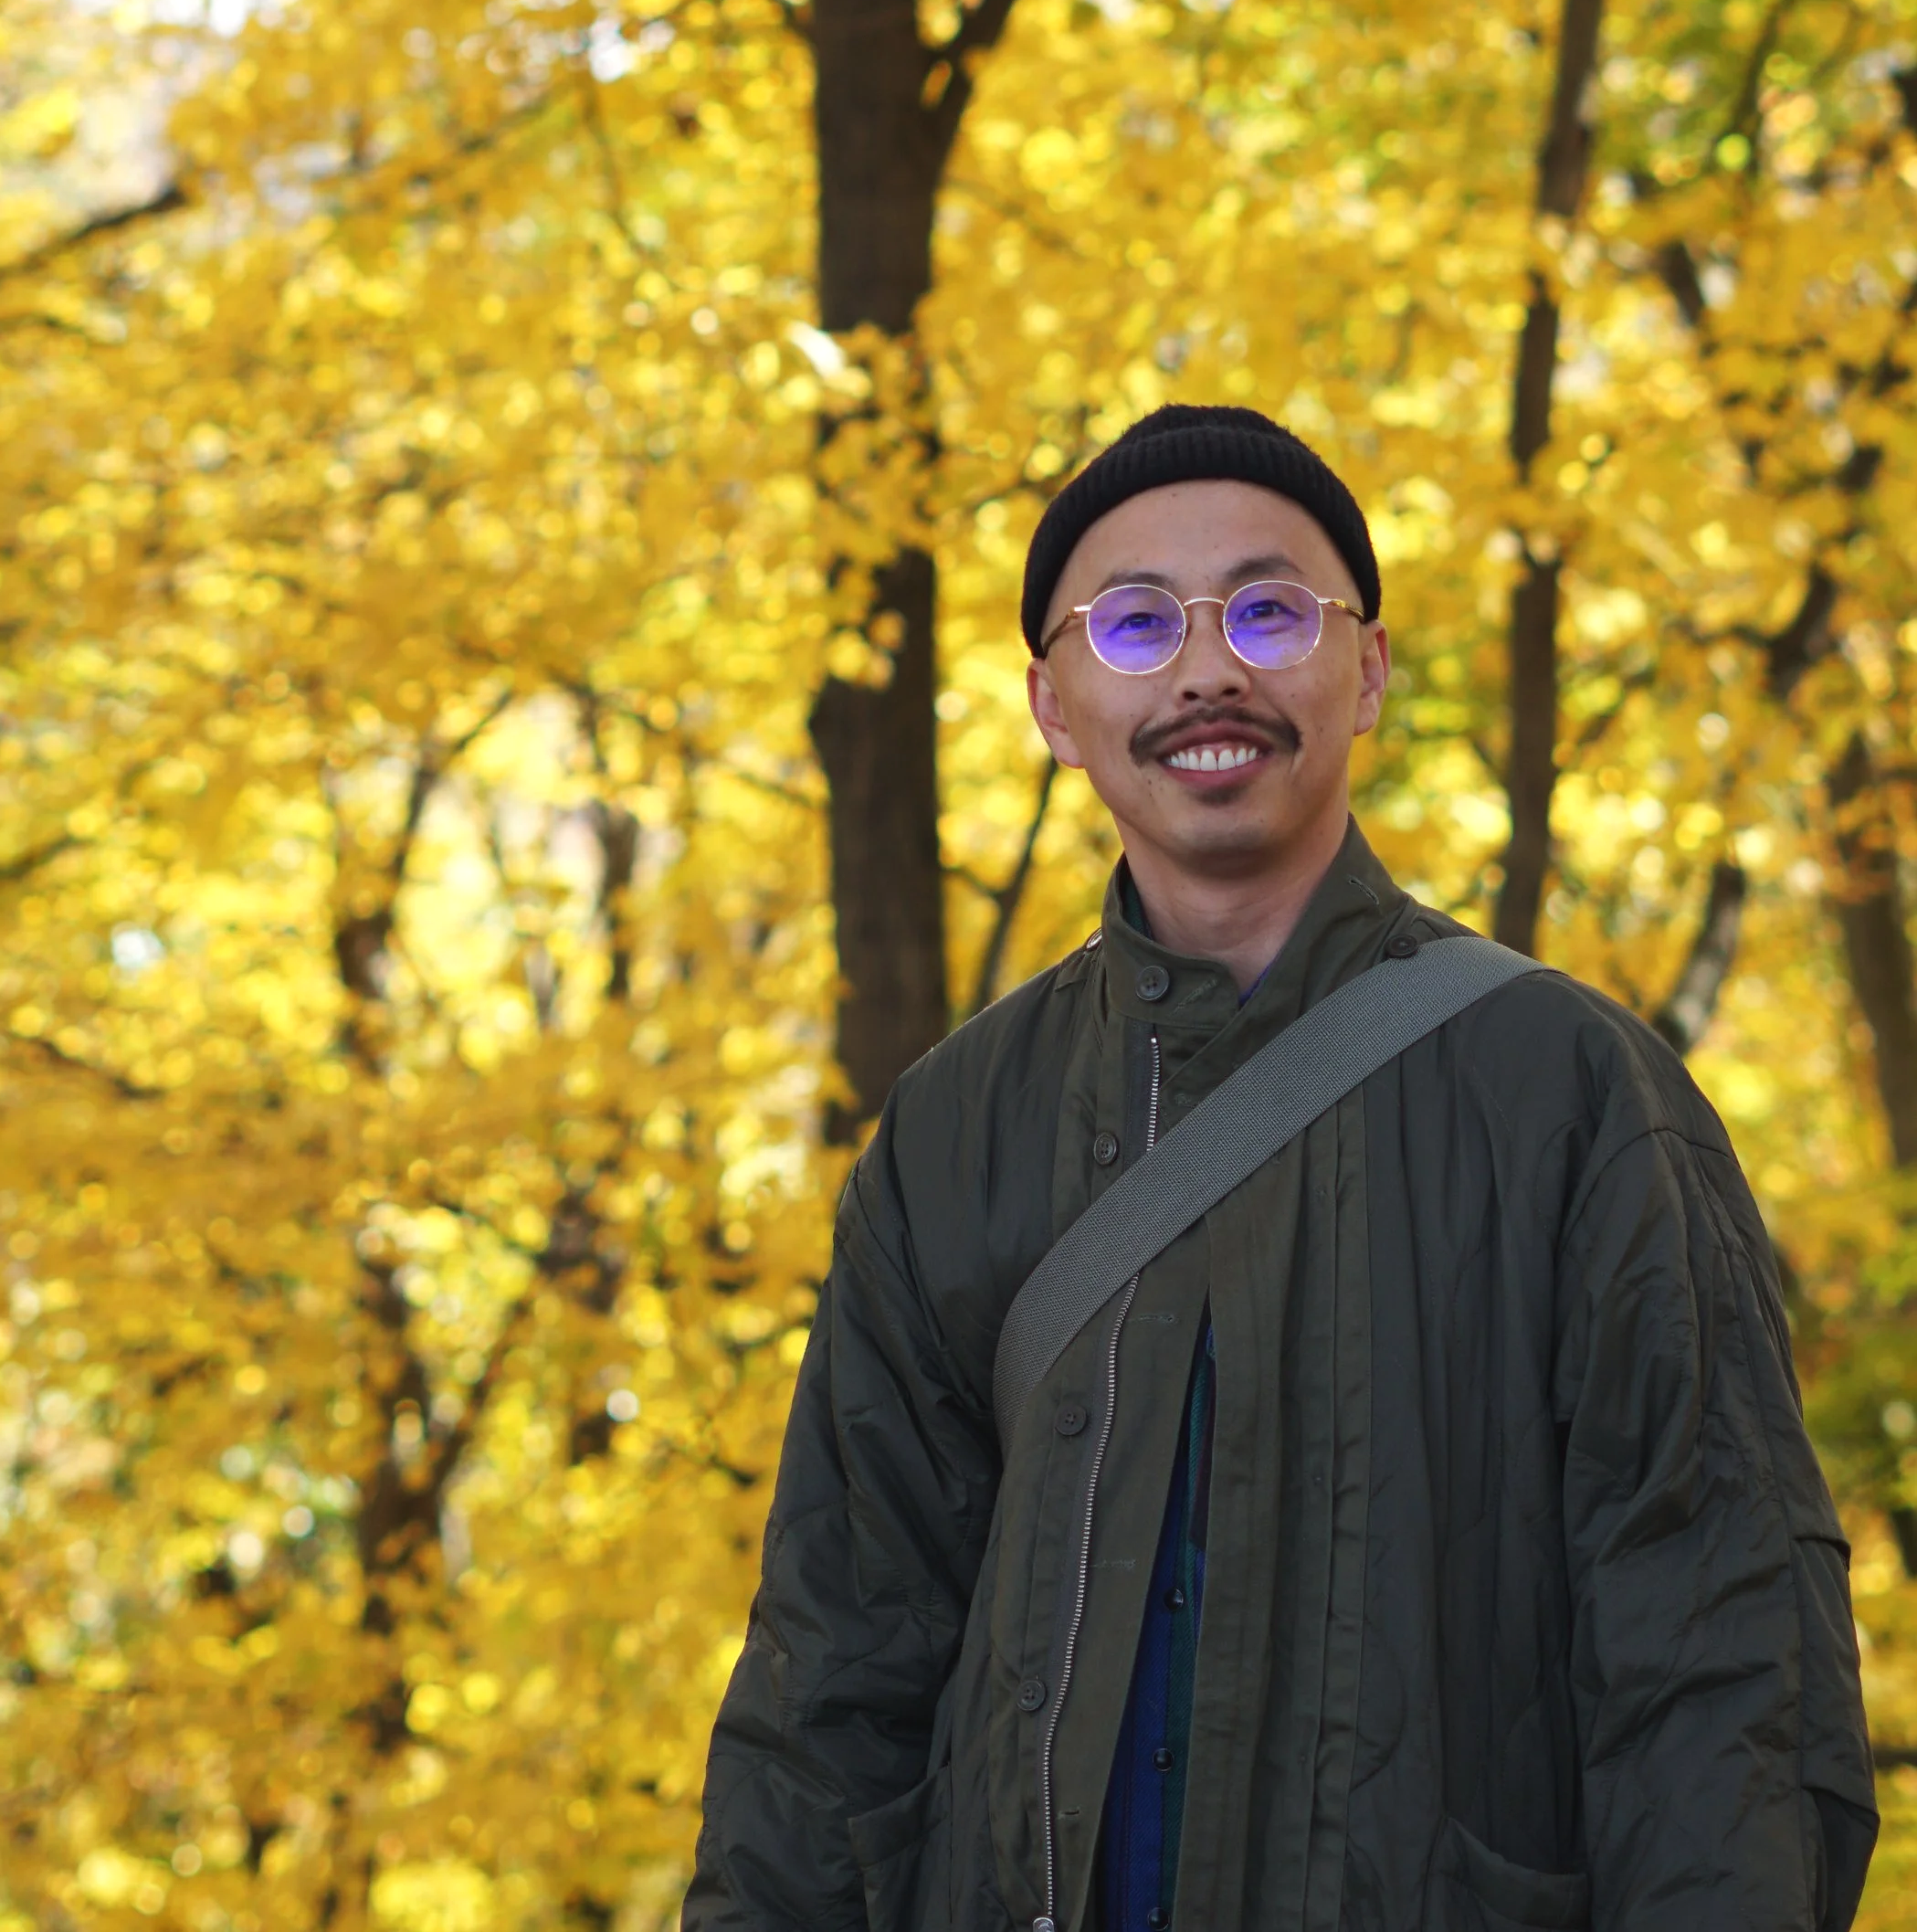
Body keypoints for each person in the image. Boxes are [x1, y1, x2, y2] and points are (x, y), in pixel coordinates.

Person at [684, 404, 1877, 1932]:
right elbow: (831, 1683)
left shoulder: (1571, 1092)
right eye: (1132, 625)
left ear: (1364, 668)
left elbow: (1721, 1664)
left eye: (1266, 609)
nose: (1204, 670)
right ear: (1051, 702)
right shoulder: (950, 1131)